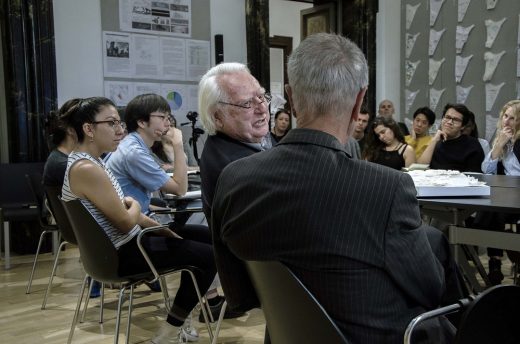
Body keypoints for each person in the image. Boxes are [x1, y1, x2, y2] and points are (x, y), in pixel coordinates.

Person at [211, 33, 454, 343]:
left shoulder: (233, 178)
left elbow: (239, 296)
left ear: (292, 97)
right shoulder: (386, 187)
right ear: (359, 101)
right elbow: (431, 291)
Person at [59, 97, 216, 344]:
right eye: (111, 124)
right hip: (121, 253)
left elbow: (127, 214)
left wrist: (160, 229)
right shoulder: (87, 168)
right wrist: (132, 205)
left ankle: (182, 315)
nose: (120, 130)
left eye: (119, 123)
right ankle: (170, 329)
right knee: (209, 257)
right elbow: (125, 221)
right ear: (89, 129)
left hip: (129, 242)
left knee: (209, 238)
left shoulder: (92, 162)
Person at [105, 93, 233, 321]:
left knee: (211, 237)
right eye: (162, 116)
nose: (168, 121)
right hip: (132, 239)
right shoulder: (134, 152)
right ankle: (177, 323)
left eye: (168, 116)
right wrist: (177, 144)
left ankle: (207, 303)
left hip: (138, 227)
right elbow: (179, 188)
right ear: (142, 122)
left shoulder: (135, 146)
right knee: (209, 255)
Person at [477, 100, 520, 284]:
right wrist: (497, 147)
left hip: (517, 195)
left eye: (513, 118)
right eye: (505, 116)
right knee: (491, 207)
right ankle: (494, 262)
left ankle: (496, 261)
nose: (507, 121)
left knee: (493, 211)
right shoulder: (501, 140)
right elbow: (486, 170)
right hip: (506, 195)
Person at [418, 103, 484, 172]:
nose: (449, 122)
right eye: (447, 117)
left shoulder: (472, 145)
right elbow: (420, 168)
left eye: (456, 120)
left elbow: (474, 176)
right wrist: (434, 140)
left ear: (463, 126)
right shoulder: (436, 141)